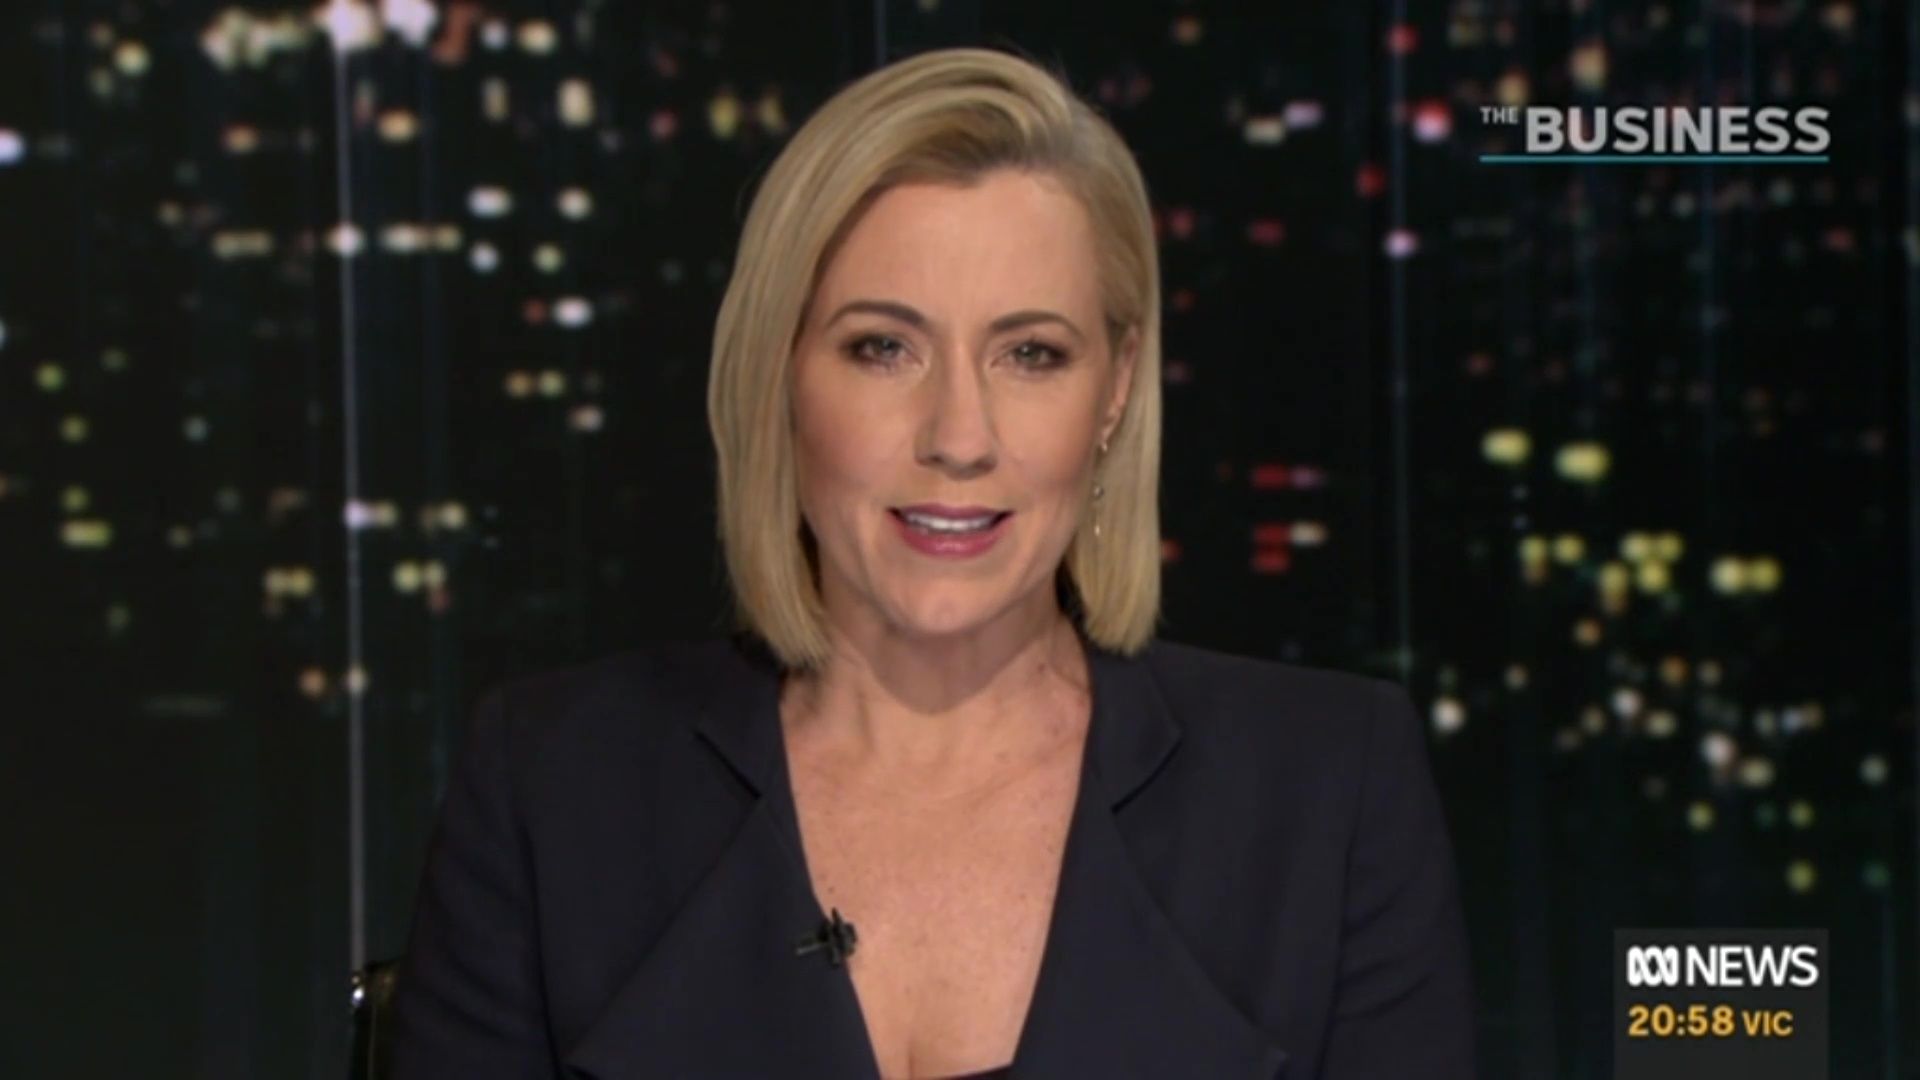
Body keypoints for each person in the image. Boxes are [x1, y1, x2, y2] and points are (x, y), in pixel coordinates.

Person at [391, 45, 1475, 1079]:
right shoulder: (550, 790)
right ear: (781, 372)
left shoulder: (1330, 793)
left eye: (1031, 354)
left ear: (1113, 388)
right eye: (883, 347)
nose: (959, 435)